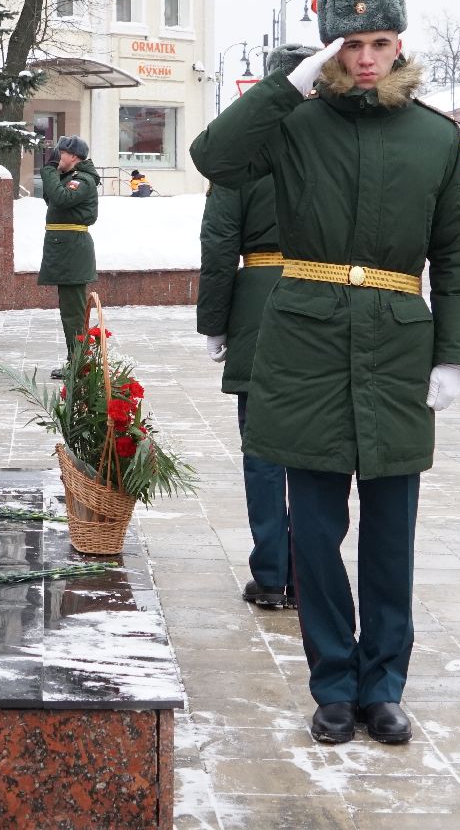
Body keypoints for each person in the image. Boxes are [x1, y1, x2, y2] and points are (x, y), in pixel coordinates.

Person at [190, 0, 460, 747]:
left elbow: (456, 252)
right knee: (313, 532)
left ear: (400, 46)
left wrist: (452, 354)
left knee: (391, 532)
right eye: (348, 45)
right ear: (328, 50)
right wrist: (283, 88)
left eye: (378, 44)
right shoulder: (294, 124)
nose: (364, 59)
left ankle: (383, 686)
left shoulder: (434, 136)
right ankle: (331, 684)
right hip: (305, 341)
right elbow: (213, 157)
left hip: (395, 343)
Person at [196, 44, 309, 612]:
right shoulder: (334, 141)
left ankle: (272, 573)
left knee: (263, 450)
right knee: (317, 449)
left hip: (261, 305)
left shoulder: (243, 153)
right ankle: (311, 569)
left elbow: (219, 244)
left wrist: (215, 322)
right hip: (330, 300)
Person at [40, 136, 99, 377]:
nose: (57, 157)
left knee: (73, 311)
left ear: (73, 156)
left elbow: (62, 198)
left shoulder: (81, 180)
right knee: (68, 310)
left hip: (72, 251)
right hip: (65, 250)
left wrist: (48, 171)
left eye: (60, 153)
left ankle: (79, 365)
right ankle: (76, 361)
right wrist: (53, 174)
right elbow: (51, 198)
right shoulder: (68, 179)